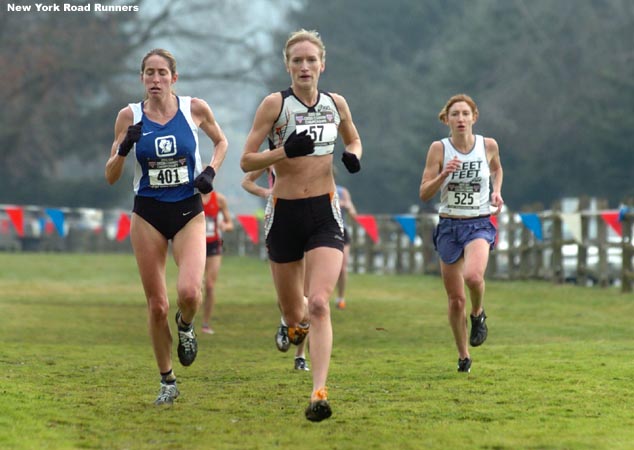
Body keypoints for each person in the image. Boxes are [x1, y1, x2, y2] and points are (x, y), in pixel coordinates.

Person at [239, 29, 362, 421]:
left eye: (311, 60)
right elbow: (245, 161)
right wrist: (283, 151)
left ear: (322, 64)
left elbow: (354, 140)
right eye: (297, 61)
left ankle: (319, 393)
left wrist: (352, 157)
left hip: (324, 211)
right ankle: (292, 327)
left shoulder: (336, 103)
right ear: (288, 66)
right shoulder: (275, 105)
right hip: (284, 214)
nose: (305, 67)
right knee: (297, 314)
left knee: (321, 303)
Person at [105, 48, 228, 405]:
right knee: (157, 305)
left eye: (162, 73)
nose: (155, 80)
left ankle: (187, 325)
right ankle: (167, 381)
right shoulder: (128, 116)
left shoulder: (195, 109)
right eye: (149, 73)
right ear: (142, 78)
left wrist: (210, 172)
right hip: (147, 213)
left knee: (190, 292)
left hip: (189, 209)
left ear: (174, 78)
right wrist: (124, 148)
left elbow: (221, 142)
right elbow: (111, 175)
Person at [419, 93, 503, 374]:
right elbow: (424, 192)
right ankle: (463, 354)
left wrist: (497, 191)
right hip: (449, 226)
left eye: (465, 114)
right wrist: (443, 176)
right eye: (455, 114)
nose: (461, 119)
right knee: (455, 299)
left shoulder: (487, 145)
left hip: (479, 222)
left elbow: (496, 169)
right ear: (447, 120)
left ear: (474, 117)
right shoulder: (438, 149)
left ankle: (478, 315)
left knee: (473, 276)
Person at [242, 167, 310, 371]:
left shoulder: (313, 148)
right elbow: (246, 181)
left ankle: (301, 356)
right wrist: (267, 193)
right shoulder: (271, 153)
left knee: (308, 294)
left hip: (309, 220)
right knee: (288, 296)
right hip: (278, 223)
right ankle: (285, 320)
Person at [200, 191, 234, 335]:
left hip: (214, 245)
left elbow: (230, 224)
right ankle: (188, 319)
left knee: (209, 285)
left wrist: (225, 226)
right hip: (196, 245)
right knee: (196, 286)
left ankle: (205, 323)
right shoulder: (191, 197)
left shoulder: (219, 199)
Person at [334, 184, 357, 310]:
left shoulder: (342, 191)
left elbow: (353, 212)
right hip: (321, 232)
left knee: (342, 268)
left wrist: (347, 206)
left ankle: (341, 298)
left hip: (342, 231)